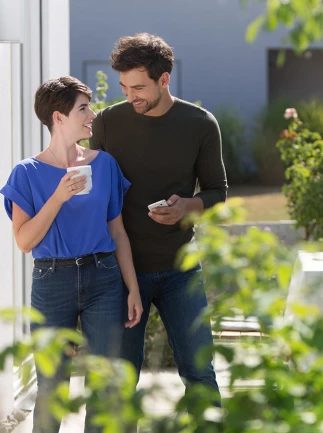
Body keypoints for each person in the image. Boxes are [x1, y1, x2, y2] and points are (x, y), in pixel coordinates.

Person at [89, 33, 227, 405]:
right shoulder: (107, 123)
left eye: (138, 87)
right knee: (118, 382)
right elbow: (92, 193)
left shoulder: (200, 123)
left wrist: (187, 206)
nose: (130, 96)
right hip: (120, 273)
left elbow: (217, 191)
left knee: (200, 372)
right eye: (123, 87)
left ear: (164, 79)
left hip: (180, 269)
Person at [0, 76, 143, 433]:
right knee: (52, 385)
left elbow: (118, 232)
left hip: (104, 278)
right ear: (58, 117)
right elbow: (24, 240)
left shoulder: (105, 164)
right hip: (52, 282)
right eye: (83, 108)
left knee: (104, 384)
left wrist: (133, 288)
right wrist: (58, 197)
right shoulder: (26, 174)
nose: (91, 115)